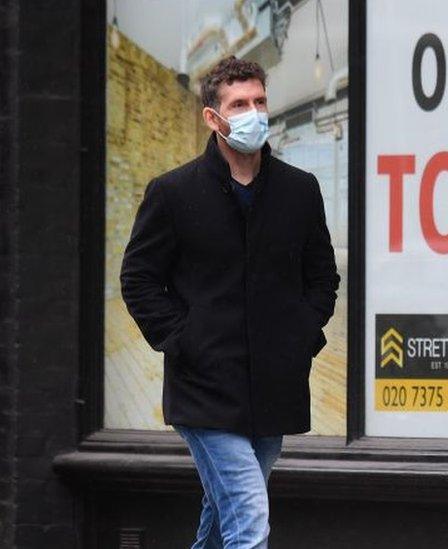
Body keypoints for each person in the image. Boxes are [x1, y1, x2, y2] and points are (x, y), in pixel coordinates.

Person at [119, 55, 340, 548]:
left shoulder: (299, 191)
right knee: (249, 513)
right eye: (239, 104)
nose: (253, 112)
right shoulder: (173, 193)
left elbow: (322, 276)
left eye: (260, 101)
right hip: (204, 387)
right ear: (212, 118)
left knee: (225, 514)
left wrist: (301, 335)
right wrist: (184, 341)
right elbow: (138, 278)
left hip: (273, 385)